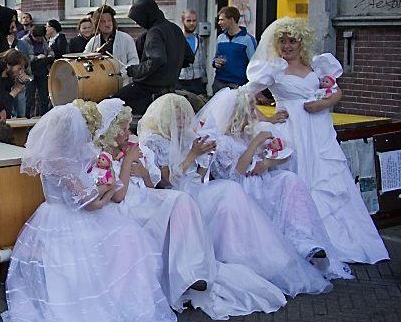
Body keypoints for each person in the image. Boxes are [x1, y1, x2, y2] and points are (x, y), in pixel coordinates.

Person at [2, 101, 179, 322]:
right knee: (123, 239)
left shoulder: (56, 157)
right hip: (70, 220)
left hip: (52, 215)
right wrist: (109, 189)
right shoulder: (64, 163)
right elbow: (91, 204)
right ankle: (120, 301)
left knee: (121, 239)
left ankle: (119, 296)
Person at [94, 98, 286, 317]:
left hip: (152, 194)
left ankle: (200, 269)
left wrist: (202, 159)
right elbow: (140, 189)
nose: (184, 119)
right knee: (181, 200)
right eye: (124, 127)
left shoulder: (144, 145)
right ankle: (189, 273)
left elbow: (152, 183)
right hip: (131, 202)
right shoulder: (110, 155)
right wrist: (130, 162)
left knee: (210, 195)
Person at [139, 94, 350, 292]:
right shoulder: (155, 141)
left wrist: (205, 158)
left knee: (234, 192)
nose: (185, 120)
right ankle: (240, 258)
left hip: (198, 188)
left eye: (185, 115)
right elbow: (167, 181)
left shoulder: (188, 138)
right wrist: (195, 155)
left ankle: (270, 256)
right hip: (178, 193)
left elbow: (201, 174)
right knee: (230, 191)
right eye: (179, 117)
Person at [246, 17, 389, 265]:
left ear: (302, 42)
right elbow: (243, 97)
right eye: (283, 41)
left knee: (329, 182)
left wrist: (324, 103)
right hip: (292, 133)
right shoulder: (273, 69)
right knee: (300, 182)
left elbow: (336, 91)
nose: (288, 46)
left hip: (319, 133)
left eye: (292, 41)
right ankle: (306, 241)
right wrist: (267, 119)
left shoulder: (316, 66)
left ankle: (340, 240)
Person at [195, 88, 344, 294]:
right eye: (249, 110)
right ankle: (282, 252)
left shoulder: (246, 134)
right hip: (242, 189)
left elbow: (280, 155)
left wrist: (267, 159)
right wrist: (255, 144)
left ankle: (304, 240)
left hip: (261, 180)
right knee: (272, 188)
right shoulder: (220, 141)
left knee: (289, 180)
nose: (253, 114)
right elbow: (235, 174)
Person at [115, 0, 192, 115]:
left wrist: (131, 70)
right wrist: (171, 67)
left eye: (138, 19)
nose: (137, 23)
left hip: (148, 90)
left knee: (112, 104)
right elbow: (189, 57)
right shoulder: (175, 28)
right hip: (170, 89)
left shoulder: (154, 32)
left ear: (146, 15)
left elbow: (157, 59)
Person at [85, 5, 139, 86]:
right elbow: (84, 61)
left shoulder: (126, 38)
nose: (107, 24)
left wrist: (121, 73)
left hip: (121, 83)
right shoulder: (93, 41)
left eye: (109, 21)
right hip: (99, 84)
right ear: (97, 24)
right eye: (103, 21)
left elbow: (134, 60)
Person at [211, 6, 256, 93]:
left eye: (222, 20)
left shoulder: (248, 39)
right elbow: (216, 57)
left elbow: (254, 64)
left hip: (238, 84)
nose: (219, 23)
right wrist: (215, 62)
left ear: (231, 19)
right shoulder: (220, 38)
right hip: (219, 83)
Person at [17, 25, 52, 117]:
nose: (39, 40)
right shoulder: (24, 41)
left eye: (41, 37)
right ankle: (27, 117)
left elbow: (49, 50)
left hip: (42, 70)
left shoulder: (43, 40)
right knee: (29, 97)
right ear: (32, 35)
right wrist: (36, 57)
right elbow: (24, 57)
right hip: (30, 71)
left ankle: (43, 116)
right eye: (37, 38)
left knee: (43, 96)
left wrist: (49, 55)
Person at [177, 9, 207, 95]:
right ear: (183, 21)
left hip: (197, 82)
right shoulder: (177, 39)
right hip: (181, 82)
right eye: (188, 20)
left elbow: (203, 62)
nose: (191, 23)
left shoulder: (200, 39)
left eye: (194, 21)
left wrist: (204, 81)